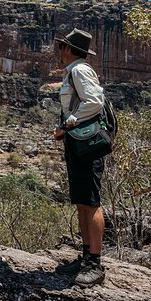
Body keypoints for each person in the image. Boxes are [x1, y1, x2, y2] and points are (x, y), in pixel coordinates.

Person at [52, 28, 106, 287]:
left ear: (68, 49)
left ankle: (95, 263)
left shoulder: (79, 70)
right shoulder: (73, 71)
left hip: (87, 143)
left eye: (61, 47)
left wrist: (68, 125)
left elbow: (95, 102)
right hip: (78, 142)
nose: (59, 52)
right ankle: (86, 258)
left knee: (91, 200)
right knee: (82, 200)